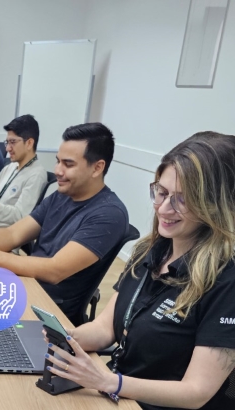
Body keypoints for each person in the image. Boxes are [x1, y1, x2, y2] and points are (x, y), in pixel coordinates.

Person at [43, 132, 235, 410]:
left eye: (182, 200)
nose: (163, 209)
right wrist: (68, 338)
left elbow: (196, 392)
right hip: (118, 395)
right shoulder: (150, 251)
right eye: (162, 193)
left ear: (215, 206)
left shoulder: (226, 281)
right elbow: (105, 328)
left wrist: (109, 381)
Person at [0, 123, 129, 325]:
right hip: (26, 284)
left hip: (46, 310)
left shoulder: (109, 214)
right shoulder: (61, 196)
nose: (58, 171)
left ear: (97, 168)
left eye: (68, 164)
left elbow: (54, 270)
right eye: (58, 161)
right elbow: (12, 235)